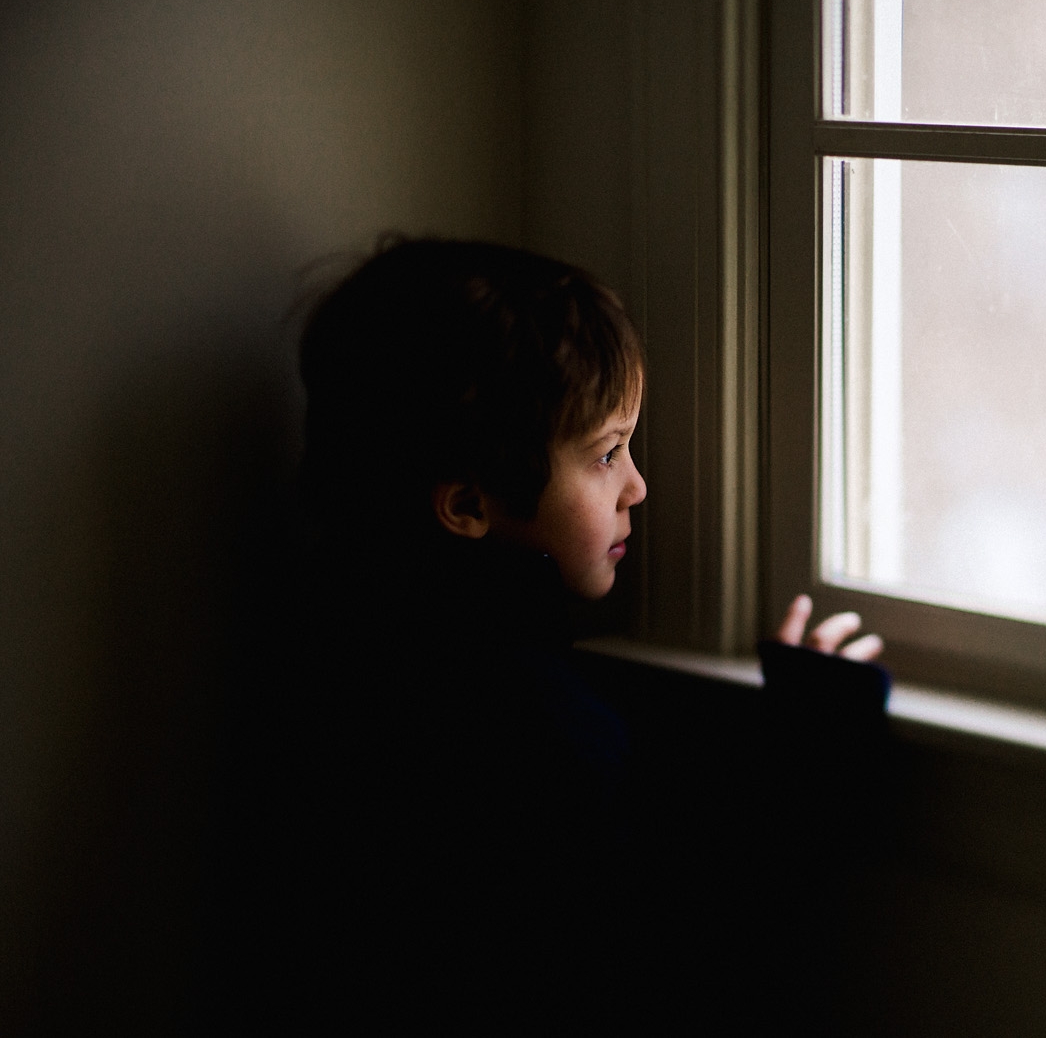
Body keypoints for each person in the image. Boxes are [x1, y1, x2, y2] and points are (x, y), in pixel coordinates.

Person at [214, 238, 888, 1033]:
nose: (637, 484)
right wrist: (813, 741)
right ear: (467, 504)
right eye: (606, 454)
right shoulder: (514, 723)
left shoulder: (336, 643)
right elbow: (692, 964)